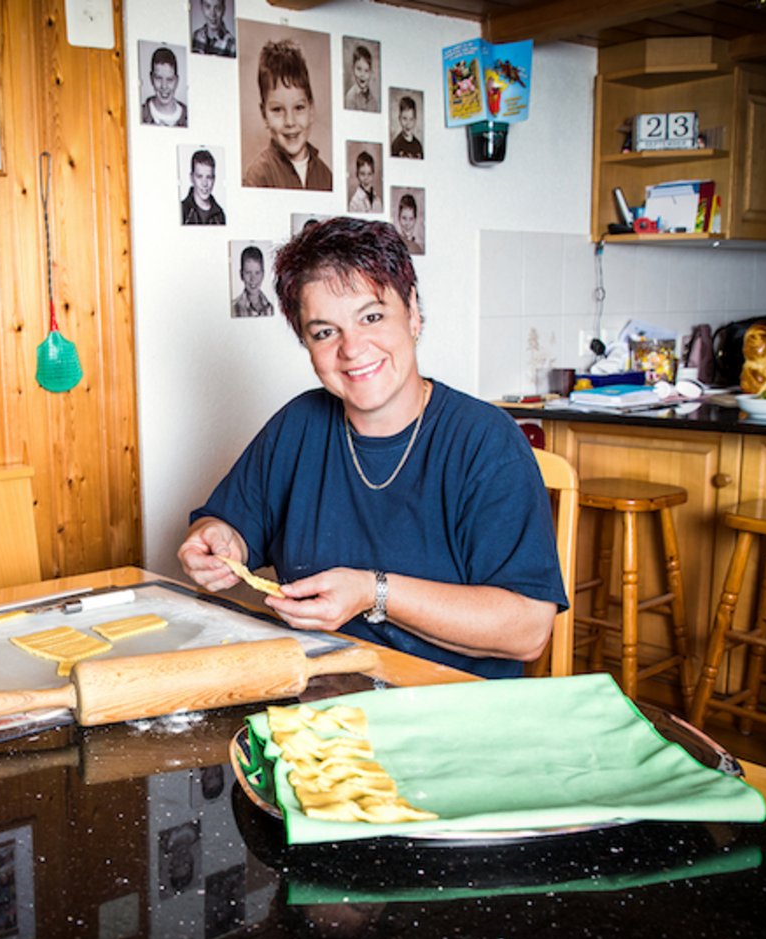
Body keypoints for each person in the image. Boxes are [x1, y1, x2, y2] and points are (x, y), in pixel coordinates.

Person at [180, 217, 565, 678]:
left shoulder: (487, 442)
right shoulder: (298, 425)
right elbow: (226, 526)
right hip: (321, 691)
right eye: (325, 332)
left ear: (413, 312)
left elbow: (528, 629)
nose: (352, 348)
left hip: (450, 701)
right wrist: (219, 537)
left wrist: (373, 592)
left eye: (371, 317)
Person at [242, 38, 331, 191]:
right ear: (264, 115)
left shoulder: (325, 175)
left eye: (299, 108)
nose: (290, 121)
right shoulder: (258, 176)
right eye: (277, 110)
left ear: (311, 110)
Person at [140, 46, 187, 127]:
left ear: (177, 81)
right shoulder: (139, 113)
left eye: (169, 79)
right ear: (151, 78)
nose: (164, 86)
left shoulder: (189, 116)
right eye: (158, 78)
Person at [181, 149, 225, 226]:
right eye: (199, 176)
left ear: (214, 179)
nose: (204, 183)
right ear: (191, 178)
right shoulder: (182, 211)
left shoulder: (220, 215)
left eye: (209, 177)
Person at [230, 245, 273, 317]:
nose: (253, 279)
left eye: (257, 273)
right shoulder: (233, 308)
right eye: (248, 273)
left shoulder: (271, 308)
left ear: (263, 274)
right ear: (241, 275)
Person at [343, 44, 376, 112]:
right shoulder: (350, 98)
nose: (362, 75)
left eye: (366, 71)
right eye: (359, 69)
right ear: (353, 69)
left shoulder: (373, 99)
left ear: (371, 73)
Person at [390, 94, 423, 158]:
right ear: (399, 119)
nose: (408, 123)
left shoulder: (418, 145)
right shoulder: (396, 145)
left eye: (411, 119)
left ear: (415, 120)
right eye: (405, 119)